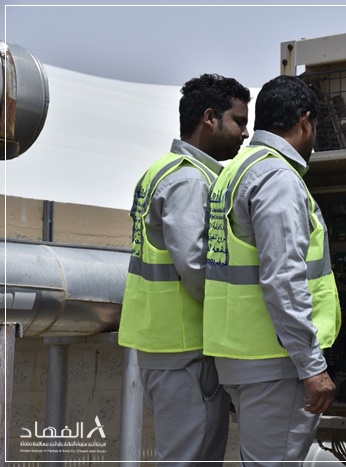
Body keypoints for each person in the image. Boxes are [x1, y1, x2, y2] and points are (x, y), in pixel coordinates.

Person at [203, 75, 341, 466]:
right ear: (305, 121)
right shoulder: (277, 177)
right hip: (276, 362)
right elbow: (283, 278)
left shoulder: (236, 171)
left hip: (241, 355)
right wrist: (311, 365)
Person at [119, 73, 251, 465]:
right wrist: (244, 313)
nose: (245, 134)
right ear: (209, 118)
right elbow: (195, 265)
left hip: (166, 345)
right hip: (185, 350)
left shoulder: (162, 170)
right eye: (239, 121)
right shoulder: (190, 180)